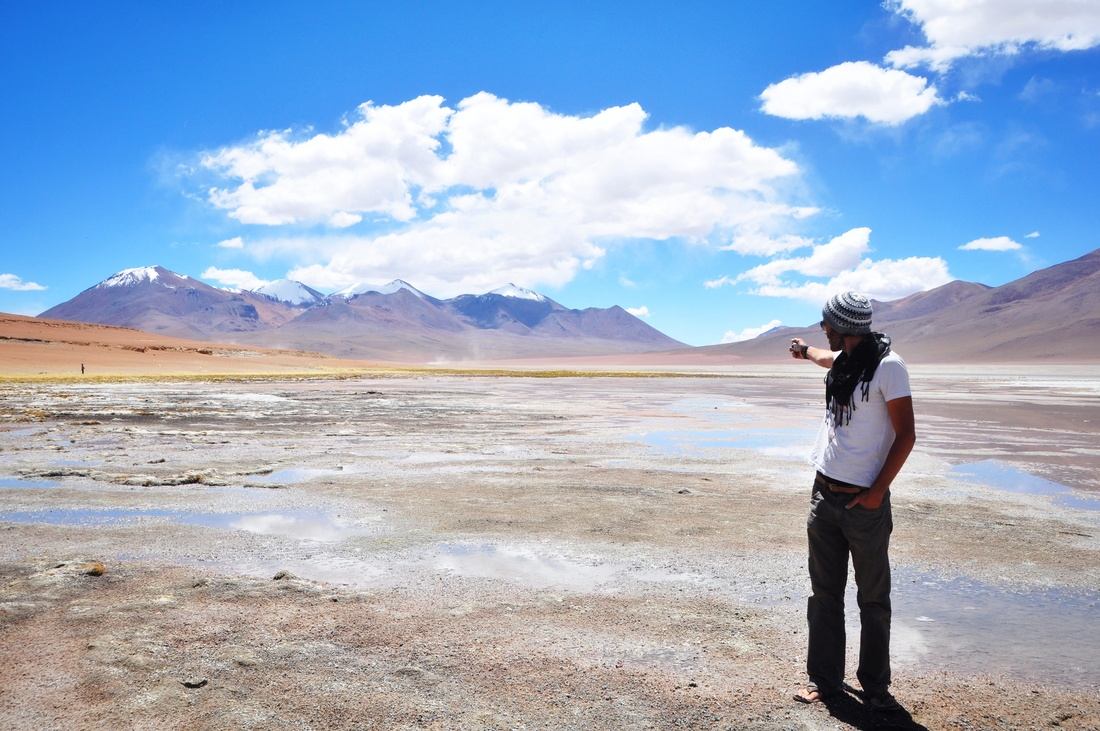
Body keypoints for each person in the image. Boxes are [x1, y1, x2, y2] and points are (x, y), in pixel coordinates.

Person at [788, 291, 915, 712]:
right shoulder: (846, 362)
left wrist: (876, 492)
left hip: (865, 503)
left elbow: (906, 435)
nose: (823, 330)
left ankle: (875, 686)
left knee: (873, 598)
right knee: (824, 593)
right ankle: (825, 681)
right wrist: (805, 352)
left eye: (826, 324)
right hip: (824, 495)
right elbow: (827, 358)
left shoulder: (888, 367)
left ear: (844, 326)